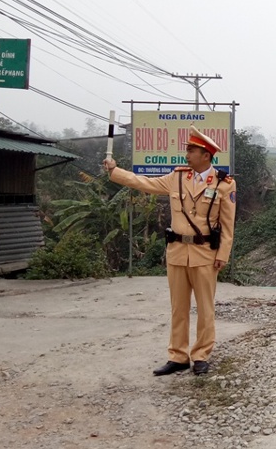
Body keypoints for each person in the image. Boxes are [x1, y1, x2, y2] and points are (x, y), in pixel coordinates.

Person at [103, 125, 236, 376]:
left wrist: (223, 255)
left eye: (191, 150)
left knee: (205, 308)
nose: (186, 154)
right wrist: (115, 171)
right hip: (176, 252)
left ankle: (201, 355)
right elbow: (144, 183)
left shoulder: (224, 184)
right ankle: (178, 356)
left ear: (206, 155)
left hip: (205, 254)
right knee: (179, 308)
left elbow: (228, 225)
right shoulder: (177, 177)